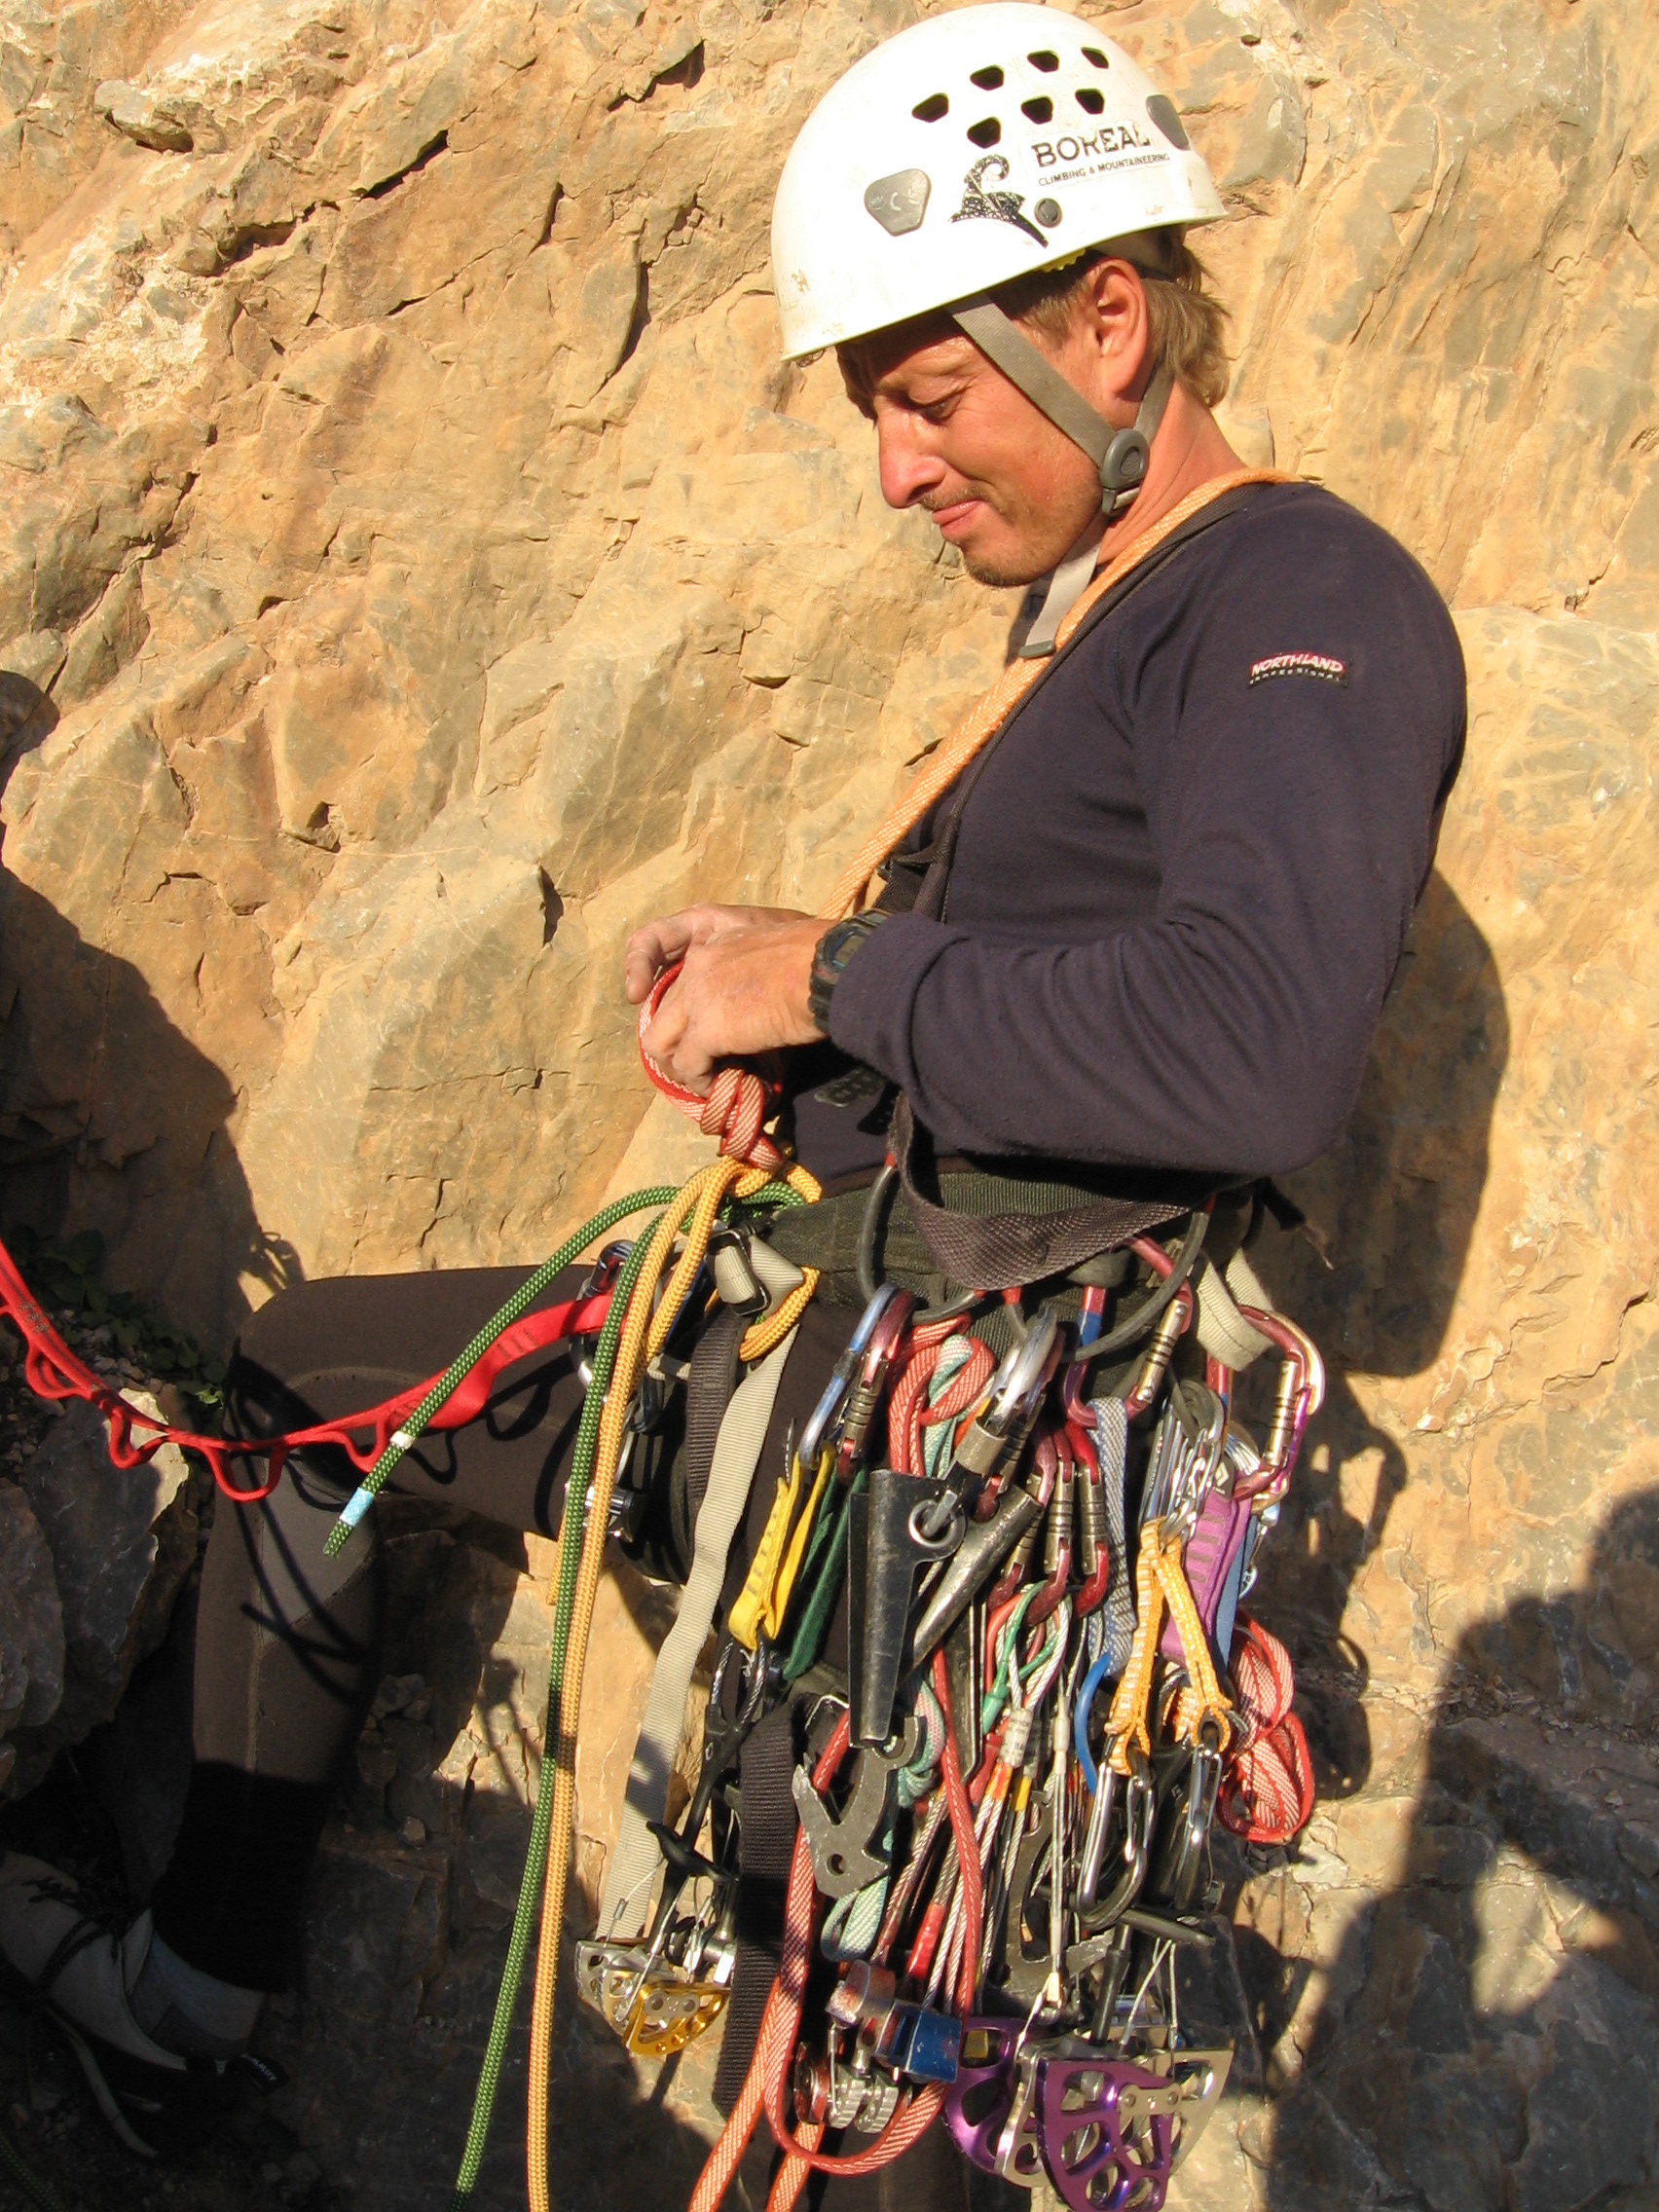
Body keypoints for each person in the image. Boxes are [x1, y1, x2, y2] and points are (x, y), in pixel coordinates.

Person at [0, 0, 1464, 2175]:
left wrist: (842, 974)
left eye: (930, 396)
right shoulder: (1122, 613)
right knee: (314, 1382)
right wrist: (815, 1010)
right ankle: (191, 1996)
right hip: (852, 1351)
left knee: (856, 2036)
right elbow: (1070, 977)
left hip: (963, 1459)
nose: (895, 471)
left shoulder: (1303, 593)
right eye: (880, 413)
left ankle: (190, 2006)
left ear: (1111, 321)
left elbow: (1251, 1044)